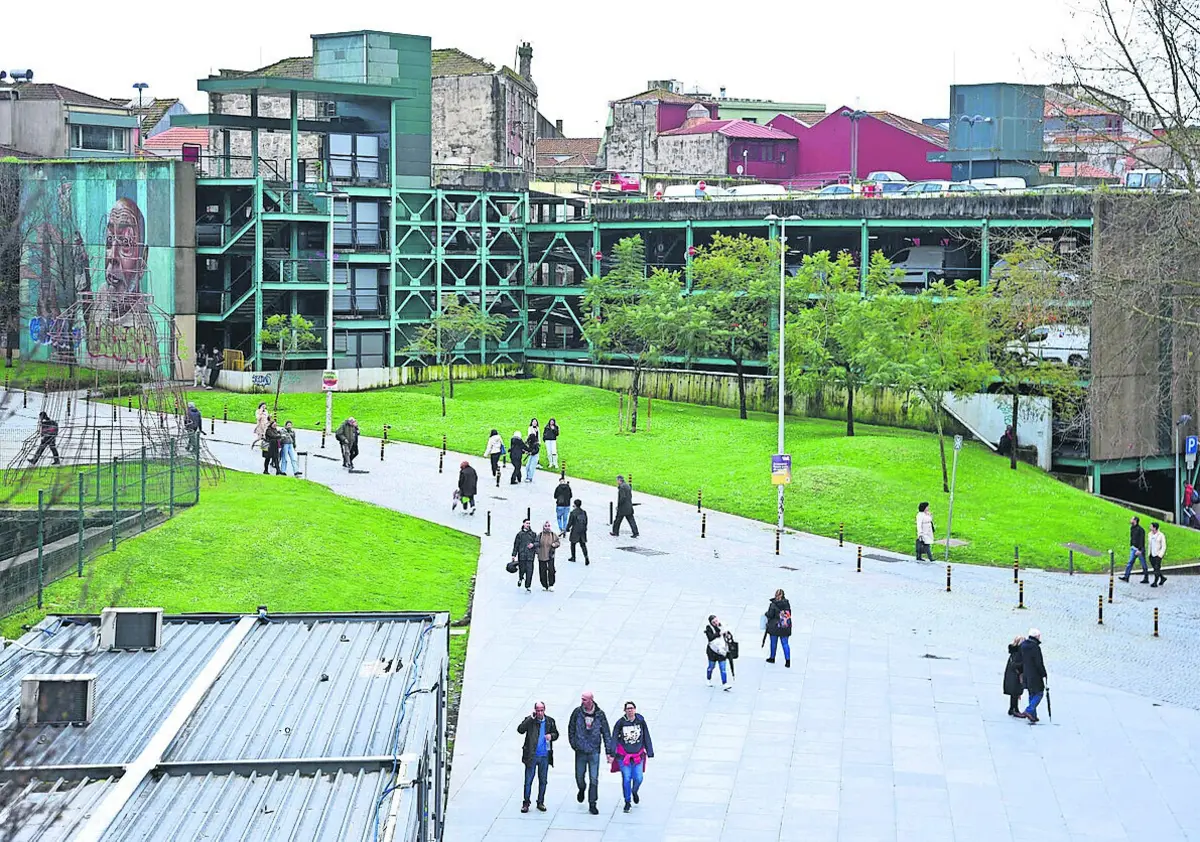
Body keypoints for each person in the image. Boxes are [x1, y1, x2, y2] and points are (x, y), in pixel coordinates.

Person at [567, 691, 612, 816]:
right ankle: (581, 788)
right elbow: (571, 728)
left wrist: (609, 752)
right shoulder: (577, 712)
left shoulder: (600, 714)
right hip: (580, 751)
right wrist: (574, 744)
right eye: (582, 699)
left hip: (594, 751)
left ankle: (593, 803)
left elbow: (606, 733)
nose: (583, 702)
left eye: (585, 699)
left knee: (594, 778)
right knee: (579, 776)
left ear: (591, 700)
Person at [611, 701, 654, 814]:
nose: (630, 710)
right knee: (626, 778)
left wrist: (649, 751)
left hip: (638, 756)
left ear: (635, 709)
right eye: (628, 709)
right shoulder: (620, 723)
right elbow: (614, 737)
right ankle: (627, 801)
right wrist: (612, 752)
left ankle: (634, 791)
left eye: (632, 708)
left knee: (639, 778)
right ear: (624, 710)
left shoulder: (640, 721)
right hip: (624, 756)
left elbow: (646, 736)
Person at [516, 701, 559, 814]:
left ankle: (540, 801)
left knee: (543, 780)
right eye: (538, 710)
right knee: (528, 780)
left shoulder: (550, 721)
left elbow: (556, 734)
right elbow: (520, 729)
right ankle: (526, 802)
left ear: (545, 710)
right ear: (535, 710)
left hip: (544, 755)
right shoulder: (530, 721)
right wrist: (530, 718)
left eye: (542, 710)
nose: (540, 712)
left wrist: (551, 736)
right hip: (532, 755)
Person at [1017, 629, 1048, 724]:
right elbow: (1039, 662)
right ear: (1037, 636)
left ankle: (1033, 716)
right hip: (1035, 674)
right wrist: (1044, 673)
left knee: (1031, 693)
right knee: (1039, 693)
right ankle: (1029, 710)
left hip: (1027, 673)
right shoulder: (1035, 647)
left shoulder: (1023, 646)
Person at [764, 589, 792, 668]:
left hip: (774, 627)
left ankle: (772, 658)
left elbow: (770, 615)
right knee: (785, 644)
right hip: (785, 627)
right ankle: (787, 661)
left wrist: (766, 614)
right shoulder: (787, 604)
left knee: (773, 643)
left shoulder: (773, 605)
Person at [704, 615, 732, 690]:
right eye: (714, 622)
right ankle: (708, 679)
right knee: (711, 667)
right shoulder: (709, 628)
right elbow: (710, 637)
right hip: (712, 651)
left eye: (716, 620)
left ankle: (725, 683)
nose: (716, 623)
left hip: (722, 651)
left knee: (723, 668)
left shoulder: (722, 625)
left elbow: (729, 635)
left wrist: (728, 635)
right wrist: (719, 634)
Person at [1120, 515, 1149, 583]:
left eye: (1132, 519)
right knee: (1130, 562)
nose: (1130, 520)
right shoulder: (1132, 528)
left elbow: (1142, 540)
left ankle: (1146, 578)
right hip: (1133, 548)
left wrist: (1139, 549)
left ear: (1135, 521)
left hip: (1139, 549)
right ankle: (1126, 577)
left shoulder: (1141, 530)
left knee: (1143, 563)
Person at [512, 519, 537, 592]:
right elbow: (516, 545)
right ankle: (520, 578)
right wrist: (514, 555)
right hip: (522, 555)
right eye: (526, 523)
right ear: (523, 524)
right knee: (522, 569)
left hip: (530, 556)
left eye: (529, 523)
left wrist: (533, 545)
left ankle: (528, 585)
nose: (528, 525)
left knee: (530, 571)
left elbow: (537, 543)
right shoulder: (519, 534)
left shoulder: (533, 534)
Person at [1004, 635, 1025, 717]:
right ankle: (1014, 709)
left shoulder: (1013, 651)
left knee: (1014, 693)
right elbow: (1017, 665)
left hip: (1011, 674)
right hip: (1015, 675)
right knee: (1015, 693)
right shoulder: (1018, 652)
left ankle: (1013, 708)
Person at [537, 521, 560, 591]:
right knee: (542, 570)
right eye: (546, 526)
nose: (547, 527)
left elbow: (558, 542)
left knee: (551, 570)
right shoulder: (540, 535)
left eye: (548, 526)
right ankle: (544, 584)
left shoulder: (553, 535)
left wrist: (555, 545)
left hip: (550, 555)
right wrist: (537, 551)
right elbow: (537, 543)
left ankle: (551, 584)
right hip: (541, 555)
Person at [567, 499, 590, 564]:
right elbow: (586, 521)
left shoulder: (573, 513)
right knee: (583, 545)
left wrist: (567, 529)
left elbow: (570, 522)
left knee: (573, 544)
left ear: (575, 504)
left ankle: (573, 557)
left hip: (575, 530)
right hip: (582, 530)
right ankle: (586, 557)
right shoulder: (584, 512)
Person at [1148, 521, 1167, 587]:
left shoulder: (1161, 535)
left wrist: (1160, 555)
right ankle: (1162, 578)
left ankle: (1155, 582)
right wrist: (1149, 553)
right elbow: (1149, 544)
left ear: (1155, 528)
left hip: (1158, 555)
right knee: (1156, 569)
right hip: (1151, 554)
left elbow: (1164, 546)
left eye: (1151, 526)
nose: (1150, 527)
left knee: (1156, 568)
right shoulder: (1150, 534)